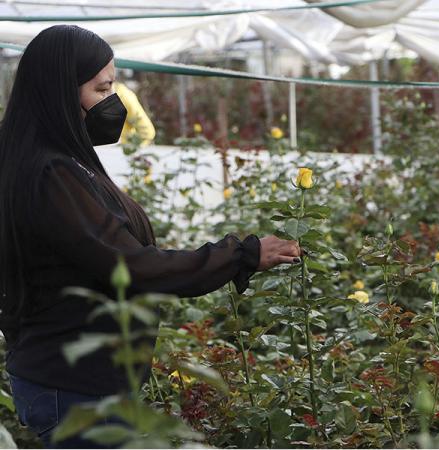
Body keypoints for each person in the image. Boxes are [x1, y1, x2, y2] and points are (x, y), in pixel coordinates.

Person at [0, 25, 301, 448]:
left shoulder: (53, 160)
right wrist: (241, 254)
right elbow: (133, 266)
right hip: (72, 388)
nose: (113, 102)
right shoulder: (52, 174)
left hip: (72, 379)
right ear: (61, 93)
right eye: (102, 88)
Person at [114, 80, 156, 146]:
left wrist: (128, 150)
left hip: (117, 151)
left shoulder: (123, 95)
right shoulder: (94, 94)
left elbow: (147, 133)